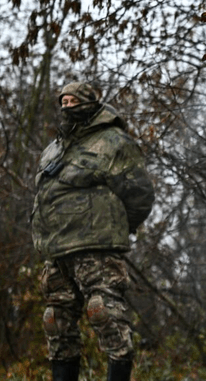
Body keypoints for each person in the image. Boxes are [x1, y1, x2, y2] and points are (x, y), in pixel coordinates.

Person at [31, 82, 155, 381]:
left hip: (96, 248)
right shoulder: (54, 150)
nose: (68, 106)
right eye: (64, 101)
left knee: (106, 316)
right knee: (56, 323)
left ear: (89, 103)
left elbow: (140, 193)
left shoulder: (113, 141)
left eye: (74, 100)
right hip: (56, 251)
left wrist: (115, 227)